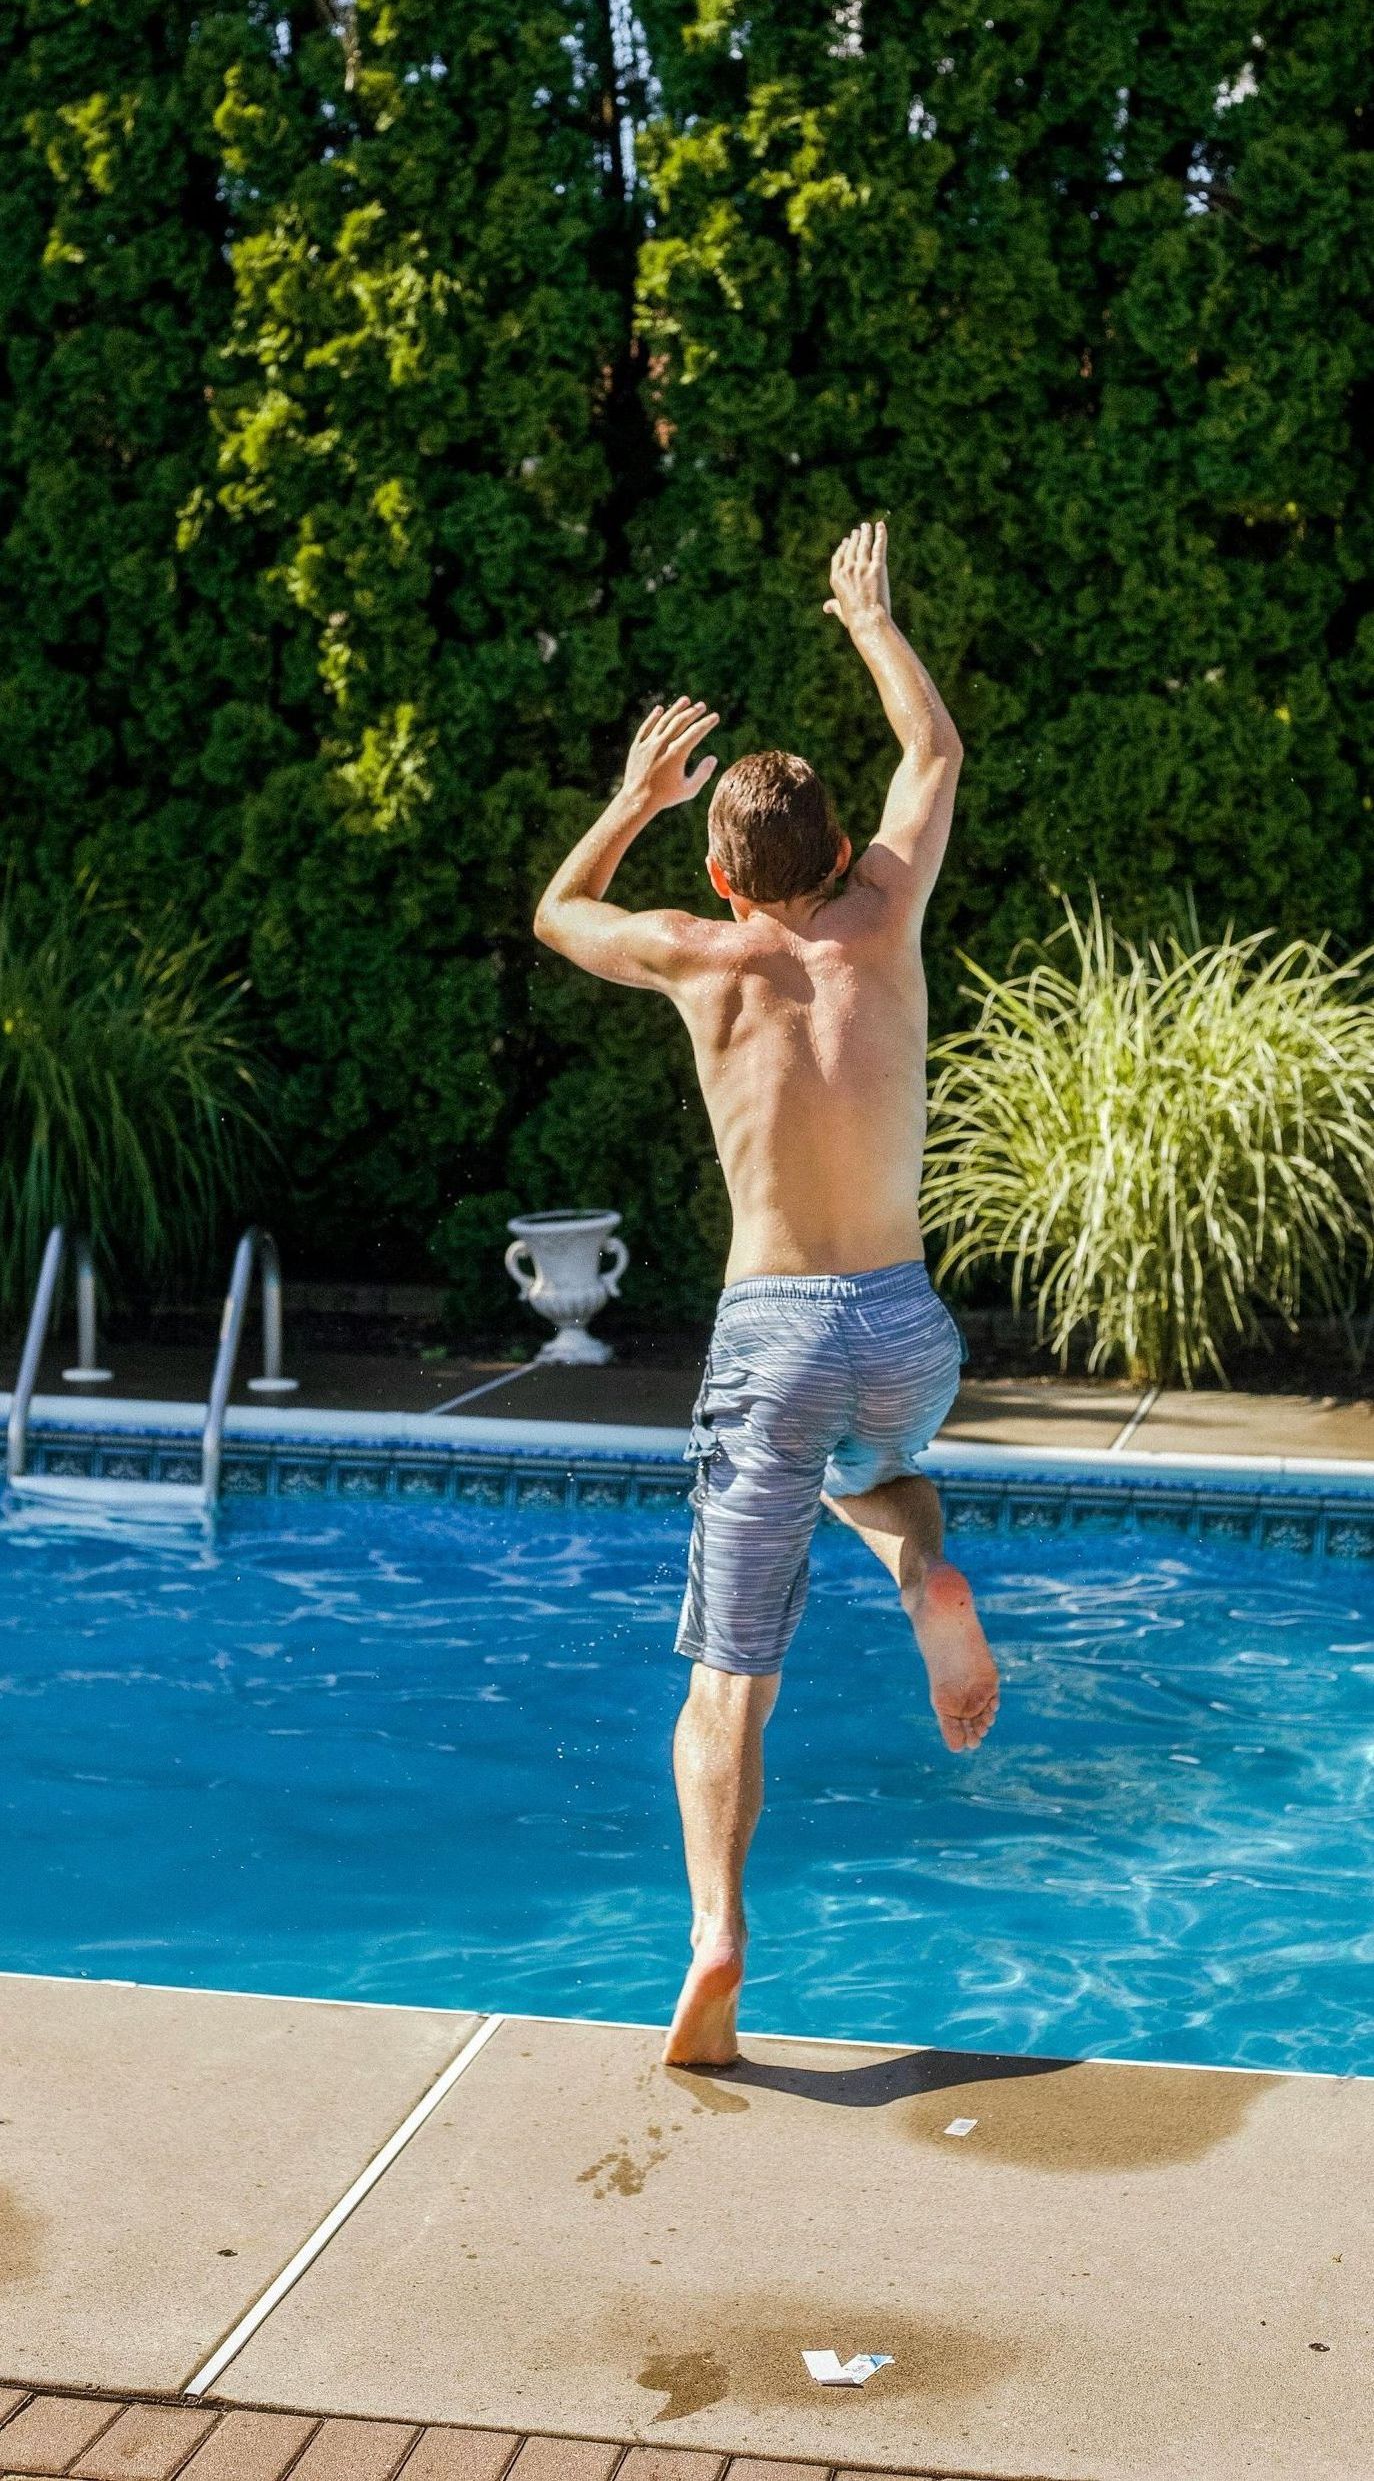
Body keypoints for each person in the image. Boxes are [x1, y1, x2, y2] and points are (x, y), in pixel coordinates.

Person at [533, 521, 1000, 2066]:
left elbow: (557, 914)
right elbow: (930, 747)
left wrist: (630, 798)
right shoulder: (888, 914)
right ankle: (924, 1575)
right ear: (834, 856)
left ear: (725, 874)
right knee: (887, 1475)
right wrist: (867, 616)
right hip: (905, 1329)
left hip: (775, 1334)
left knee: (728, 1676)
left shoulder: (698, 954)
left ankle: (718, 1933)